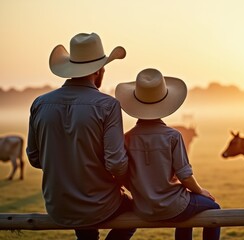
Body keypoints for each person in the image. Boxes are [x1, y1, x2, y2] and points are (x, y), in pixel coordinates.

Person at [26, 32, 136, 240]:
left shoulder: (40, 103)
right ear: (98, 71)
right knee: (132, 209)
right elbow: (116, 164)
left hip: (58, 205)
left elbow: (34, 158)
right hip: (98, 204)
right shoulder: (108, 105)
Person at [115, 68, 221, 240]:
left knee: (188, 211)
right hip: (173, 206)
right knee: (214, 208)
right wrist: (200, 191)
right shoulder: (173, 136)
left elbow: (123, 175)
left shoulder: (127, 138)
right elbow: (184, 176)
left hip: (142, 208)